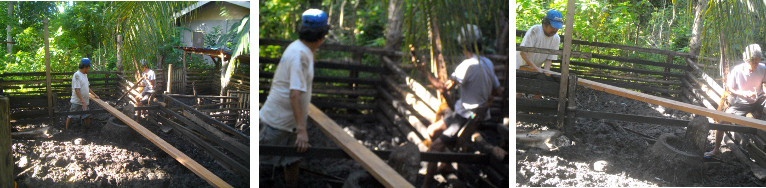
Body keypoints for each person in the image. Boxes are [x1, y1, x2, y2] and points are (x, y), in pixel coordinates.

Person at [422, 24, 502, 188]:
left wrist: (425, 72)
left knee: (435, 146)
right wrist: (486, 101)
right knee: (432, 131)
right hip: (467, 115)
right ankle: (446, 164)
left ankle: (426, 184)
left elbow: (444, 87)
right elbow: (499, 90)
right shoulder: (488, 63)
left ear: (463, 45)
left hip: (465, 117)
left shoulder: (466, 66)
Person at [259, 8, 329, 188]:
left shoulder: (301, 49)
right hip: (277, 123)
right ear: (322, 36)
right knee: (261, 163)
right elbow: (294, 93)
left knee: (292, 161)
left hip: (288, 123)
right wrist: (302, 130)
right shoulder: (299, 55)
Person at [706, 44, 766, 158]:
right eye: (753, 62)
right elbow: (730, 89)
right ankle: (715, 150)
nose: (756, 65)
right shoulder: (737, 71)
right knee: (723, 121)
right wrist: (743, 93)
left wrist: (764, 90)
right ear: (746, 60)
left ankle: (758, 114)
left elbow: (765, 82)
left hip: (760, 99)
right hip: (743, 102)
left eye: (758, 62)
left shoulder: (762, 68)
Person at [65, 58, 100, 130]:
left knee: (86, 115)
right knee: (71, 115)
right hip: (77, 101)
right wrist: (82, 101)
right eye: (88, 68)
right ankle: (66, 129)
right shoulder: (77, 75)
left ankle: (88, 129)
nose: (89, 69)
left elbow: (87, 87)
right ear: (85, 67)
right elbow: (77, 90)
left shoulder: (85, 75)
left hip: (85, 101)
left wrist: (95, 95)